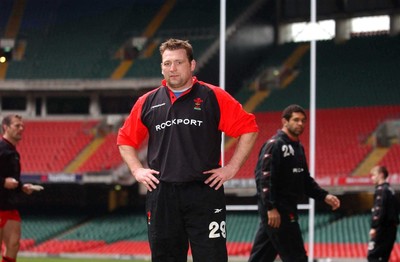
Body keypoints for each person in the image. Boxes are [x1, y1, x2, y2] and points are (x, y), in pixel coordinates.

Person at [117, 38, 258, 262]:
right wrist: (136, 170)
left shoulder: (213, 96)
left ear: (192, 65)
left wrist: (231, 168)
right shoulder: (147, 102)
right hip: (162, 194)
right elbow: (125, 140)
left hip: (204, 192)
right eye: (167, 63)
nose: (172, 69)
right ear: (161, 67)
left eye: (179, 62)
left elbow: (249, 129)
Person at [248, 104, 340, 262]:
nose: (300, 124)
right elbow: (263, 178)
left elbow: (305, 180)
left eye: (303, 120)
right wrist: (271, 207)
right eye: (296, 120)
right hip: (278, 211)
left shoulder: (298, 148)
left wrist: (324, 196)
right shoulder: (275, 144)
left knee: (261, 257)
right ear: (285, 121)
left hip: (285, 209)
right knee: (296, 257)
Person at [0, 115, 35, 262]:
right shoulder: (1, 148)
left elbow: (12, 179)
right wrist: (2, 182)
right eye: (17, 126)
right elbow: (5, 180)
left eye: (22, 126)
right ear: (5, 127)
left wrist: (22, 186)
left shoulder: (14, 153)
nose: (21, 129)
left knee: (13, 244)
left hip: (9, 205)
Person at [367, 165, 399, 262]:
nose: (372, 178)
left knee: (373, 256)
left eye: (373, 175)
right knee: (383, 258)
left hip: (383, 227)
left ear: (381, 175)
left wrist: (374, 227)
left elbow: (379, 209)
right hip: (392, 228)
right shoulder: (391, 190)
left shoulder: (381, 190)